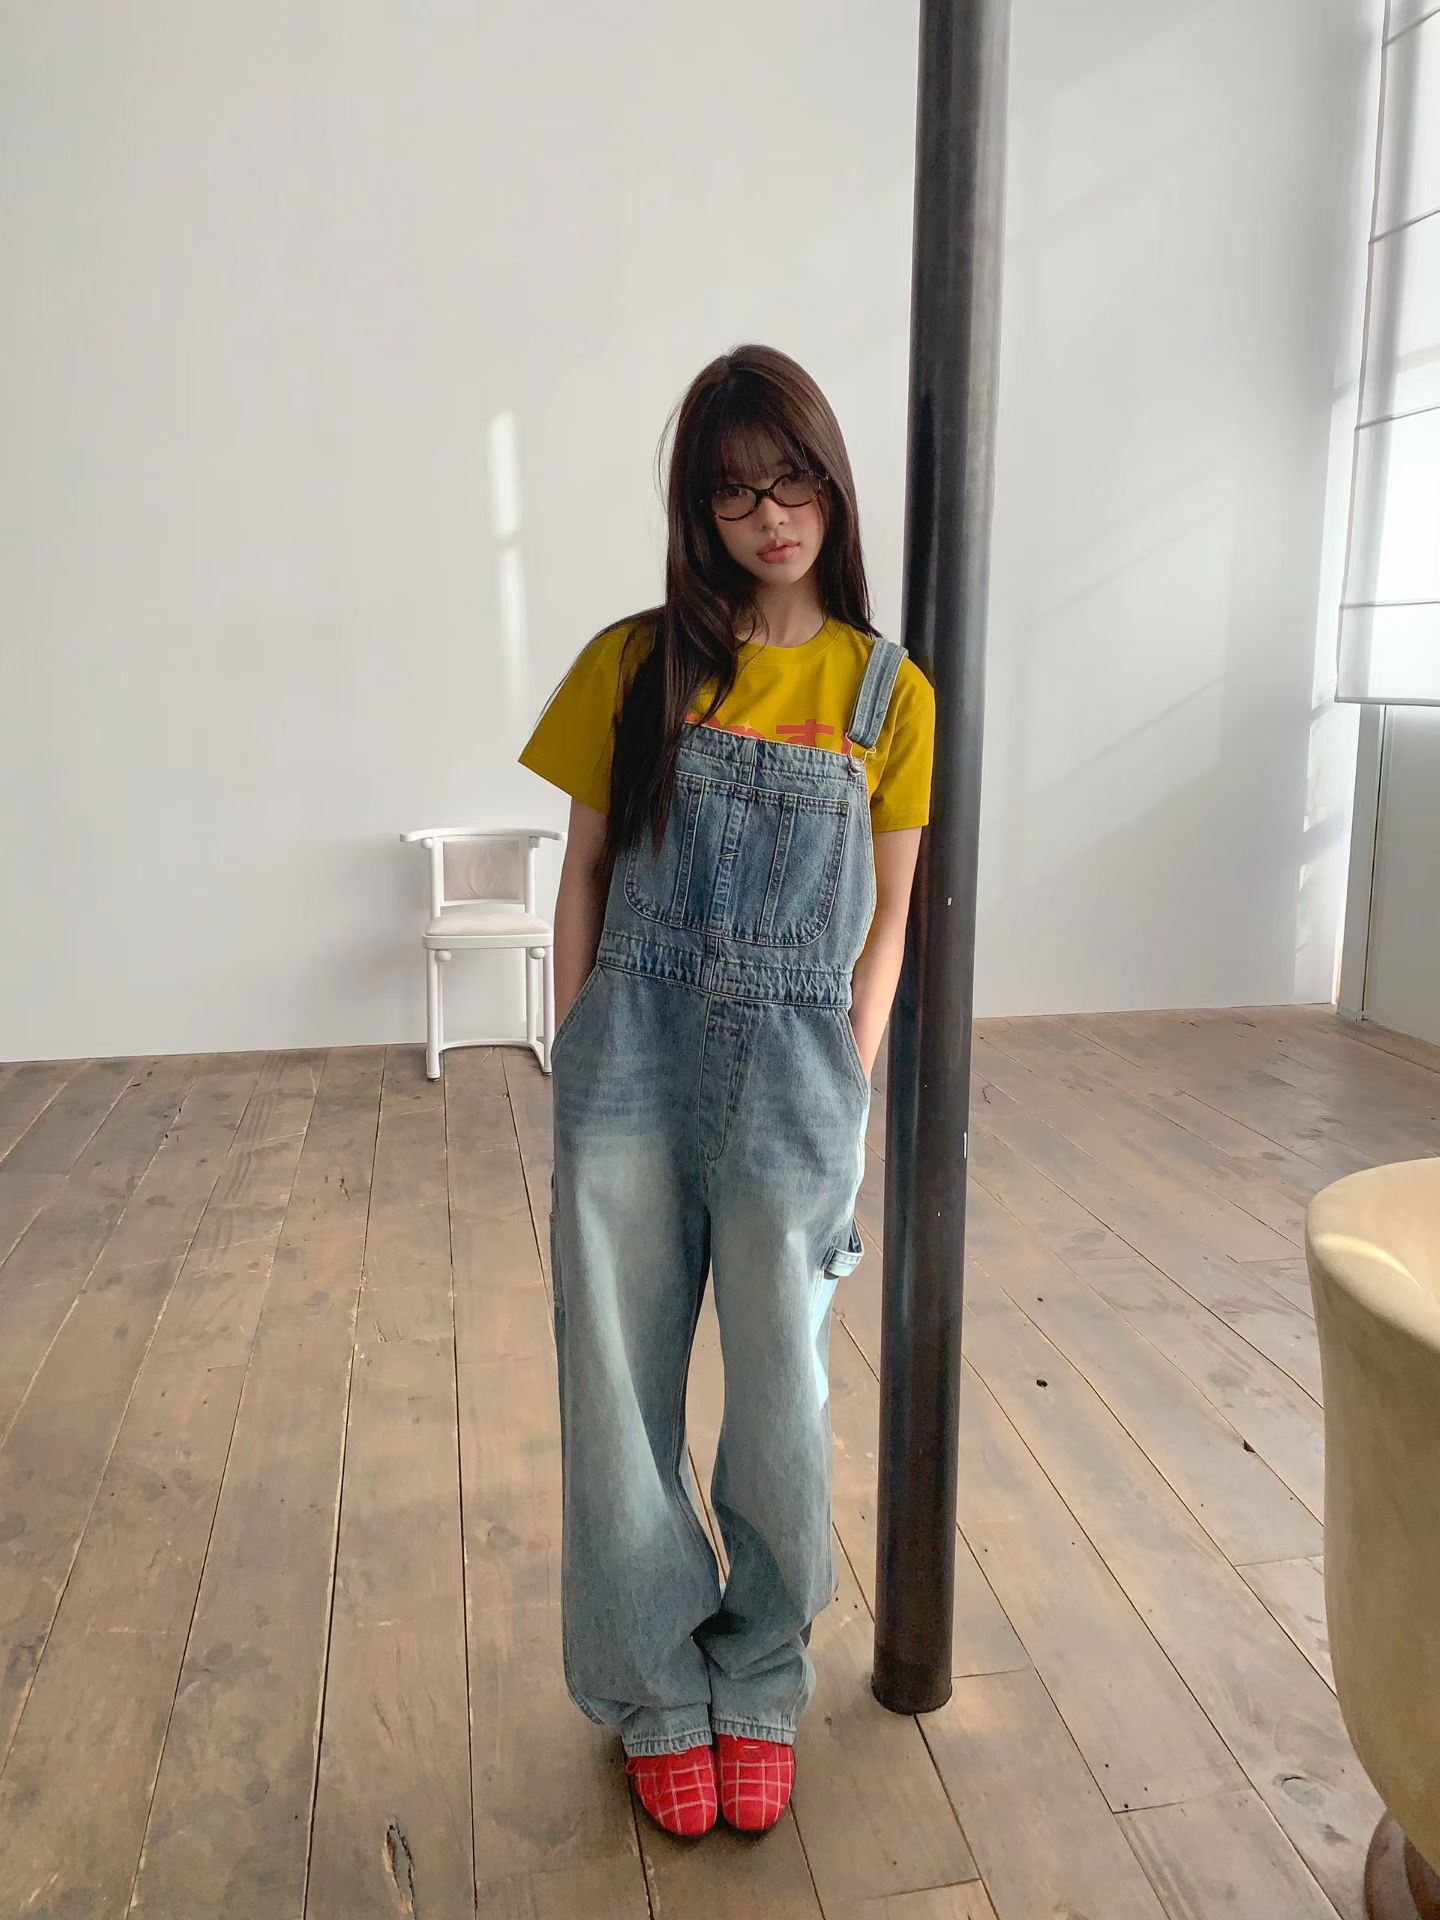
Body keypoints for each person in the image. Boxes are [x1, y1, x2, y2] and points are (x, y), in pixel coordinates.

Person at [516, 343, 935, 1839]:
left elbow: (894, 917)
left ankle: (758, 1672)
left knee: (781, 1397)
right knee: (617, 1382)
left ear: (832, 486)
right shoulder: (633, 665)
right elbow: (580, 870)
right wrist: (583, 1040)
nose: (771, 517)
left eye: (793, 481)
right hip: (631, 1050)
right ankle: (652, 1686)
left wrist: (848, 1067)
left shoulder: (888, 694)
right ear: (700, 510)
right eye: (736, 491)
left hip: (799, 1078)